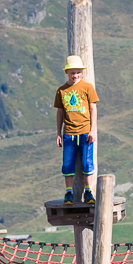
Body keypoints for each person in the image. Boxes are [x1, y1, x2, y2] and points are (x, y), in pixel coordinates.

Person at [54, 54, 98, 204]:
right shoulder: (61, 90)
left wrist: (92, 130)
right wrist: (58, 133)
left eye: (78, 72)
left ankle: (88, 191)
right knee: (67, 163)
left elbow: (93, 108)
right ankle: (68, 192)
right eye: (72, 72)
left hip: (85, 132)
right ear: (66, 72)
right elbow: (60, 112)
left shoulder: (87, 87)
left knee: (87, 162)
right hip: (68, 133)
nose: (75, 75)